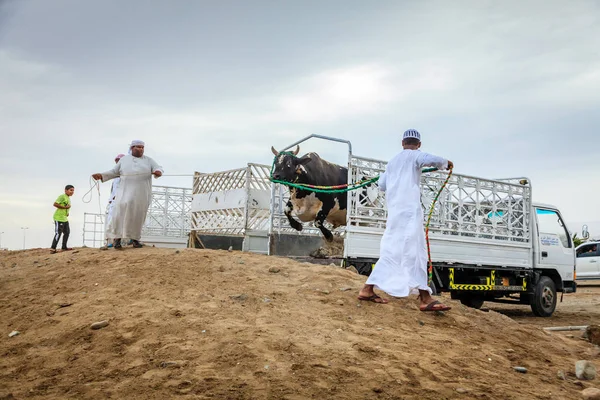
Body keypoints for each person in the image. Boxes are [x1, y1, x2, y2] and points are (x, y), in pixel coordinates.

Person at [357, 129, 454, 312]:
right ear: (418, 144)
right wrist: (445, 163)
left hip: (395, 215)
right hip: (410, 213)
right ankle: (425, 297)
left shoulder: (392, 162)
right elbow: (430, 159)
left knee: (392, 251)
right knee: (415, 251)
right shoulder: (415, 156)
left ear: (402, 143)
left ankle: (368, 289)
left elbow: (382, 185)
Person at [92, 140, 163, 249]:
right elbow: (113, 172)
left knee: (137, 217)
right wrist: (101, 175)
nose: (140, 149)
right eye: (138, 147)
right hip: (124, 194)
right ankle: (117, 240)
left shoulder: (149, 160)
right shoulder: (124, 160)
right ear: (132, 148)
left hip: (142, 194)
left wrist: (158, 172)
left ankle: (135, 240)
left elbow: (158, 168)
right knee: (119, 216)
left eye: (142, 147)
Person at [103, 153, 125, 248]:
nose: (117, 163)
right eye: (117, 161)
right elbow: (113, 190)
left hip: (122, 201)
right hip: (113, 202)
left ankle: (117, 241)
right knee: (111, 222)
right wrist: (111, 199)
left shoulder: (126, 175)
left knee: (120, 221)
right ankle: (110, 242)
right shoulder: (115, 177)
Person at [51, 184, 75, 254]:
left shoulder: (68, 198)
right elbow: (55, 204)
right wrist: (65, 208)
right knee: (58, 233)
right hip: (59, 218)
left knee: (67, 232)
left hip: (64, 218)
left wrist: (67, 212)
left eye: (73, 190)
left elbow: (66, 206)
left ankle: (64, 247)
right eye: (71, 190)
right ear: (66, 190)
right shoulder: (62, 196)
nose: (72, 192)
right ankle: (53, 248)